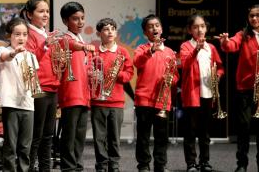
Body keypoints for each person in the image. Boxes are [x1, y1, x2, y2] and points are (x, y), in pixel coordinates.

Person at [133, 14, 179, 172]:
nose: (154, 28)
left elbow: (175, 76)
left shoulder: (170, 52)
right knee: (143, 136)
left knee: (161, 136)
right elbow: (137, 62)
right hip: (144, 99)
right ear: (145, 32)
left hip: (162, 100)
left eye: (157, 25)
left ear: (161, 29)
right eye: (150, 26)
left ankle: (160, 165)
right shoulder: (141, 49)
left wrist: (171, 79)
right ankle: (143, 165)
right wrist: (151, 50)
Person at [216, 4, 259, 172]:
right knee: (244, 127)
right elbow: (231, 45)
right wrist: (225, 41)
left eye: (257, 15)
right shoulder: (243, 35)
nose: (254, 18)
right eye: (251, 16)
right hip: (246, 89)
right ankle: (242, 164)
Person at [180, 14, 224, 172]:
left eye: (202, 26)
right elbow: (184, 64)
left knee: (204, 132)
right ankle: (191, 164)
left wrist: (217, 76)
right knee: (190, 131)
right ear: (190, 30)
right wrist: (196, 49)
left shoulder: (211, 48)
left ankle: (204, 162)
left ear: (206, 28)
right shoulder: (186, 46)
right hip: (192, 95)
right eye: (196, 27)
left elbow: (219, 66)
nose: (199, 29)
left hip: (207, 94)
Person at [20, 0, 60, 172]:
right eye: (41, 11)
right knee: (36, 136)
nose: (46, 15)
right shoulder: (28, 34)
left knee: (48, 135)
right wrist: (45, 46)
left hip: (52, 88)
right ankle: (30, 168)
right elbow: (27, 60)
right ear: (29, 14)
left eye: (47, 11)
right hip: (39, 88)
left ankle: (45, 169)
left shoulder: (46, 34)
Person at [90, 18, 134, 172]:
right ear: (98, 33)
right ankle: (101, 165)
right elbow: (88, 72)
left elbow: (129, 74)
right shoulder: (94, 51)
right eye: (106, 29)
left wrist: (116, 74)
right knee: (99, 137)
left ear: (116, 32)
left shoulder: (122, 52)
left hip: (116, 102)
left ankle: (114, 165)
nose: (110, 32)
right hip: (98, 101)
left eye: (113, 29)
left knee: (114, 137)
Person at [58, 1, 95, 171]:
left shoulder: (81, 40)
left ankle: (77, 166)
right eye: (75, 19)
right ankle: (68, 167)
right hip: (71, 94)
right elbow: (70, 45)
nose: (80, 22)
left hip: (84, 95)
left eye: (82, 18)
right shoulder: (65, 39)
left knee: (80, 135)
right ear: (66, 21)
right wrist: (84, 47)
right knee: (69, 135)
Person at [0, 17, 38, 172]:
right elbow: (3, 58)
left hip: (28, 105)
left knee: (25, 146)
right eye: (17, 34)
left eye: (24, 34)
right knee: (10, 145)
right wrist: (15, 52)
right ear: (9, 36)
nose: (21, 38)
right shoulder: (4, 50)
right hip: (11, 104)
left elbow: (33, 80)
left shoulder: (31, 56)